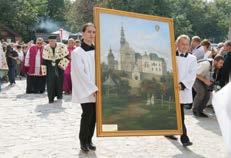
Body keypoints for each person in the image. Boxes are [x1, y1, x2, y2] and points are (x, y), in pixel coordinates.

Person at [166, 35, 197, 147]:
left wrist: (182, 85)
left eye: (186, 44)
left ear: (189, 46)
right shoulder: (171, 57)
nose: (184, 46)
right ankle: (183, 137)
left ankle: (181, 136)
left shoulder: (192, 59)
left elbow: (192, 74)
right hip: (171, 88)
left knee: (179, 113)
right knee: (175, 112)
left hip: (182, 89)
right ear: (177, 44)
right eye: (182, 44)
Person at [71, 23, 98, 152]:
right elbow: (80, 73)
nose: (91, 34)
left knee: (95, 116)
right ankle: (83, 141)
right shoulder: (77, 52)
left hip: (97, 88)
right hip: (86, 89)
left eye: (93, 32)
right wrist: (92, 88)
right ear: (83, 33)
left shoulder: (97, 51)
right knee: (87, 114)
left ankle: (89, 140)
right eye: (89, 32)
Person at [42, 35, 69, 103]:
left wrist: (63, 64)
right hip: (50, 67)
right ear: (48, 41)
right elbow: (44, 60)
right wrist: (44, 71)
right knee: (50, 83)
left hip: (59, 65)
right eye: (50, 41)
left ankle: (59, 96)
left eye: (53, 41)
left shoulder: (62, 46)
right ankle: (50, 98)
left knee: (59, 81)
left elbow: (67, 56)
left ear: (56, 40)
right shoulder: (46, 48)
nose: (52, 42)